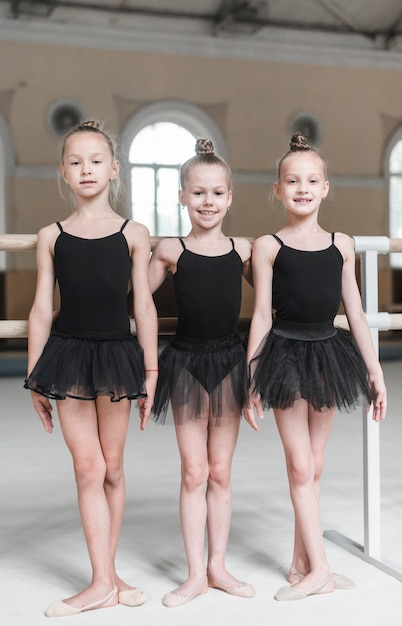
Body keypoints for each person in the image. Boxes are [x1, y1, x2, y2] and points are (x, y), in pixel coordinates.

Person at [24, 120, 158, 617]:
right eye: (76, 162)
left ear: (114, 169)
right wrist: (35, 375)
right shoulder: (51, 236)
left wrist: (151, 372)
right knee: (89, 467)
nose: (86, 169)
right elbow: (41, 309)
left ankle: (109, 573)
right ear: (63, 172)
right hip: (68, 356)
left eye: (96, 160)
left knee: (114, 467)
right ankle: (102, 581)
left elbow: (143, 307)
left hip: (119, 355)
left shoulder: (133, 233)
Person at [245, 133, 387, 601]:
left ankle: (300, 563)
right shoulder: (268, 245)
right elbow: (262, 314)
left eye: (311, 180)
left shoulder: (341, 245)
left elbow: (357, 313)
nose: (302, 188)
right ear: (278, 189)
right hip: (284, 356)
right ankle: (321, 570)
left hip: (329, 353)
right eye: (292, 181)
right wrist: (252, 378)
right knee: (300, 464)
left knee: (314, 465)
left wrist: (376, 371)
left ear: (325, 187)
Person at [149, 138, 254, 608]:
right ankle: (194, 574)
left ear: (230, 197)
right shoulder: (172, 250)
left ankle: (218, 567)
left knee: (221, 472)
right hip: (187, 363)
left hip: (230, 363)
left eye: (216, 193)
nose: (207, 202)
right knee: (194, 472)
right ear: (182, 197)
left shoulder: (243, 250)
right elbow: (135, 298)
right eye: (198, 193)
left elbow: (278, 296)